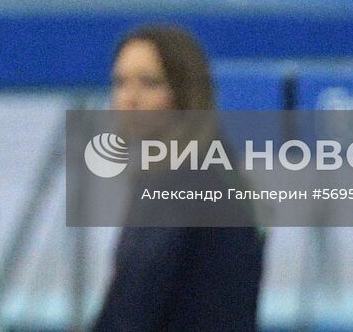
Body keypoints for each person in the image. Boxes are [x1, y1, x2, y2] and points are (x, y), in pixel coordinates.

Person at [95, 24, 264, 331]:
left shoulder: (178, 181)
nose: (129, 99)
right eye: (120, 82)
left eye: (149, 83)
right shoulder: (219, 169)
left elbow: (135, 302)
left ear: (186, 91)